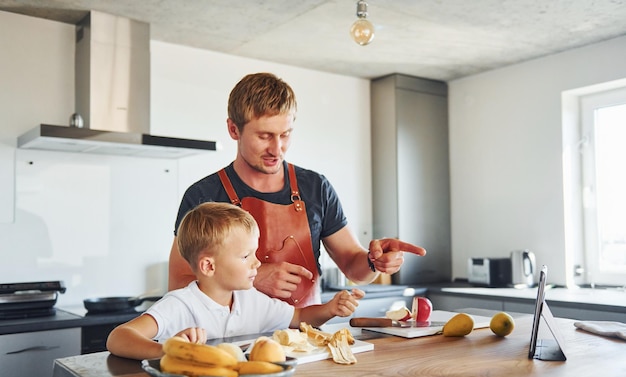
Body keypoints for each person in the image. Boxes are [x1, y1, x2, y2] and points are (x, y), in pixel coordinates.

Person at [168, 72, 426, 307]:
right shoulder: (203, 196)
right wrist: (252, 279)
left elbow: (353, 267)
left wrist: (374, 261)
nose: (277, 149)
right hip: (234, 344)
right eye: (264, 136)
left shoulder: (316, 188)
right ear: (233, 129)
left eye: (285, 134)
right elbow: (179, 285)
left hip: (307, 340)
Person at [107, 202, 364, 360]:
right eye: (245, 256)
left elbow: (298, 317)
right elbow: (119, 337)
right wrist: (168, 350)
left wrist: (330, 309)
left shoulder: (250, 299)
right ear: (209, 266)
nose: (257, 263)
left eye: (254, 253)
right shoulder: (180, 304)